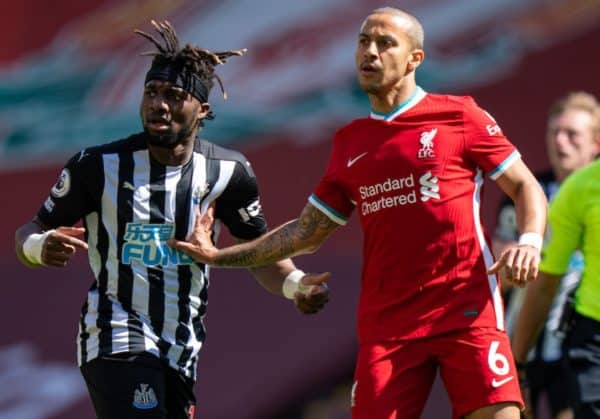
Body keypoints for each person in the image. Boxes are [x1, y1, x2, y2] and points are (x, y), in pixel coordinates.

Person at [167, 7, 548, 419]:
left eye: (386, 44)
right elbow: (306, 234)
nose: (370, 52)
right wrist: (219, 257)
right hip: (389, 327)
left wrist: (529, 241)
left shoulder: (459, 116)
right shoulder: (350, 142)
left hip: (467, 308)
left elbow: (526, 186)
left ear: (414, 59)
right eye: (364, 41)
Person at [14, 20, 330, 419]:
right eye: (151, 92)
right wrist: (39, 247)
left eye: (174, 95)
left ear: (203, 110)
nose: (158, 105)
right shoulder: (97, 166)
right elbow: (27, 233)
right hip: (114, 335)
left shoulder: (227, 172)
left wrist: (296, 285)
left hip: (181, 348)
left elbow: (261, 252)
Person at [494, 92, 600, 419]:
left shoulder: (590, 190)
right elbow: (499, 270)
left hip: (574, 341)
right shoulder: (525, 193)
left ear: (595, 142)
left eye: (572, 134)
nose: (560, 142)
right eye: (554, 132)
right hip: (522, 340)